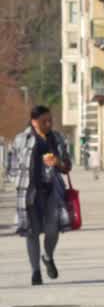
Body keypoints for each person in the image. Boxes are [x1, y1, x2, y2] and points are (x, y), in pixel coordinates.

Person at [7, 106, 72, 285]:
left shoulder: (57, 138)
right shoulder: (21, 139)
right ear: (34, 121)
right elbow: (11, 167)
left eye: (50, 120)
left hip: (52, 192)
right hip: (29, 193)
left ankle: (48, 256)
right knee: (31, 233)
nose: (49, 123)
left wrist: (58, 162)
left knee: (53, 230)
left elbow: (67, 166)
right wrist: (17, 181)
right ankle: (35, 271)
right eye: (45, 121)